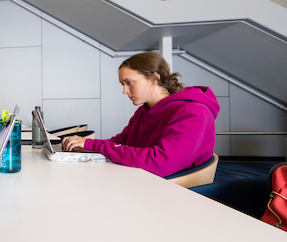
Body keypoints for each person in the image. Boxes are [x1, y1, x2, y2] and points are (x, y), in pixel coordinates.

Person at [62, 52, 220, 177]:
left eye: (129, 83)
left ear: (154, 78)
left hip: (176, 187)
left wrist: (94, 145)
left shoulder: (194, 112)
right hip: (146, 178)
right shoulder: (145, 110)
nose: (124, 91)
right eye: (122, 85)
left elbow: (161, 163)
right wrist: (85, 145)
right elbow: (122, 142)